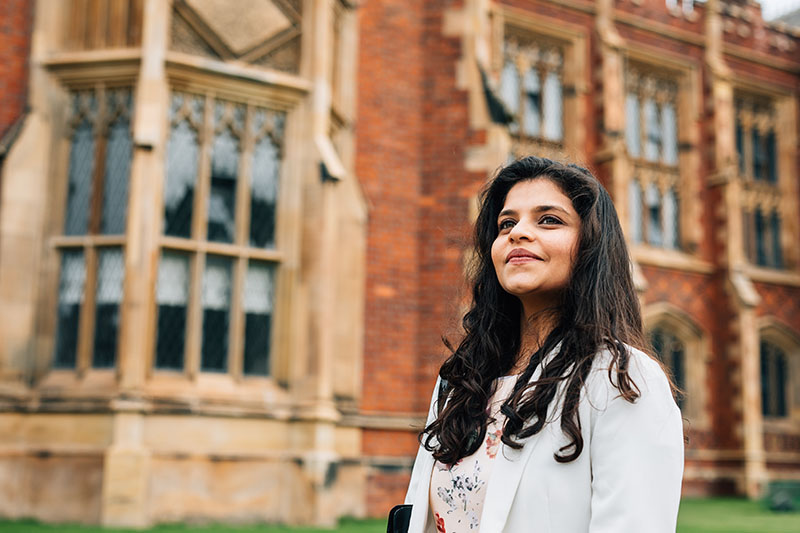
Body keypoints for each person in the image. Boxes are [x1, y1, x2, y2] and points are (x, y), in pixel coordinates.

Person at [404, 157, 684, 533]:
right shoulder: (461, 379)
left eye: (548, 219)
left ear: (590, 244)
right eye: (507, 223)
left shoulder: (622, 379)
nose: (518, 232)